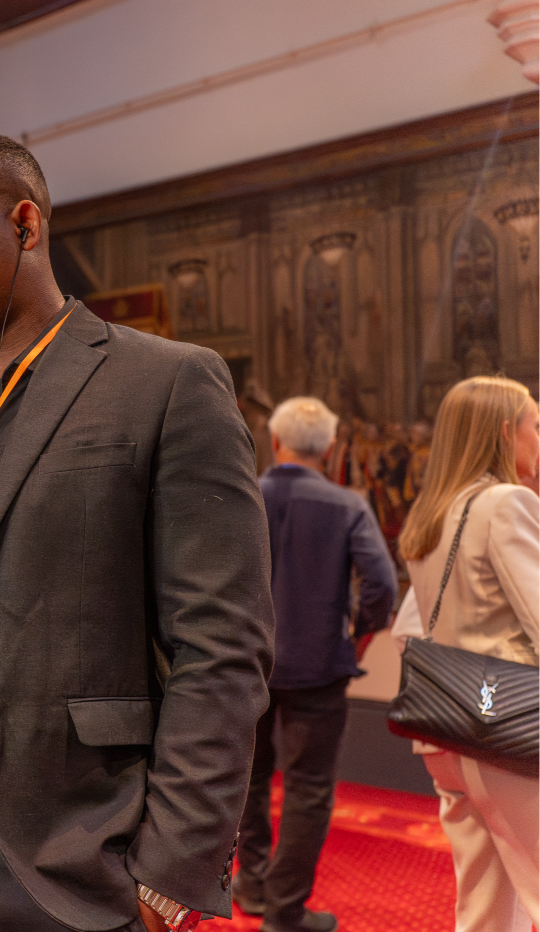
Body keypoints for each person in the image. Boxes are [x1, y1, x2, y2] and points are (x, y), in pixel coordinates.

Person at [0, 133, 274, 932]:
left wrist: (175, 865)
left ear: (24, 225)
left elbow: (222, 644)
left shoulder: (163, 382)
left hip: (71, 859)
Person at [235, 396, 397, 932]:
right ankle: (284, 911)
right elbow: (381, 583)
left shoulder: (245, 496)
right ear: (329, 449)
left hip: (248, 665)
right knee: (308, 789)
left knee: (248, 779)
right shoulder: (346, 504)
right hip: (319, 666)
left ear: (275, 442)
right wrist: (362, 634)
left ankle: (251, 885)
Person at [392, 376, 540, 932]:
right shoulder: (505, 503)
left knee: (485, 908)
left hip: (450, 728)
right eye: (536, 426)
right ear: (505, 432)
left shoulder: (438, 512)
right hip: (510, 732)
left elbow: (409, 628)